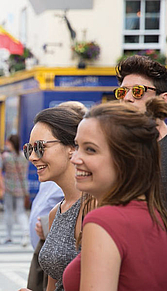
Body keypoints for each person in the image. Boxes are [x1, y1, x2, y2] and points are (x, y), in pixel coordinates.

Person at [63, 100, 167, 290]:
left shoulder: (104, 220)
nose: (75, 158)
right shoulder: (157, 216)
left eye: (90, 150)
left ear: (126, 160)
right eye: (77, 146)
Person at [19, 106, 92, 291]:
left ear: (71, 147)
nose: (33, 157)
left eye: (40, 147)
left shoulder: (94, 206)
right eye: (29, 149)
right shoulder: (55, 213)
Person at [115, 55, 167, 203]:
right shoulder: (113, 148)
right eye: (122, 92)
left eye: (138, 91)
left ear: (163, 99)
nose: (127, 98)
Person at [1, 134, 29, 246]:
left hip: (8, 187)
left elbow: (2, 169)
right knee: (20, 211)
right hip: (21, 188)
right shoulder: (24, 157)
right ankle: (25, 231)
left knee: (8, 211)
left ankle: (8, 236)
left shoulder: (6, 157)